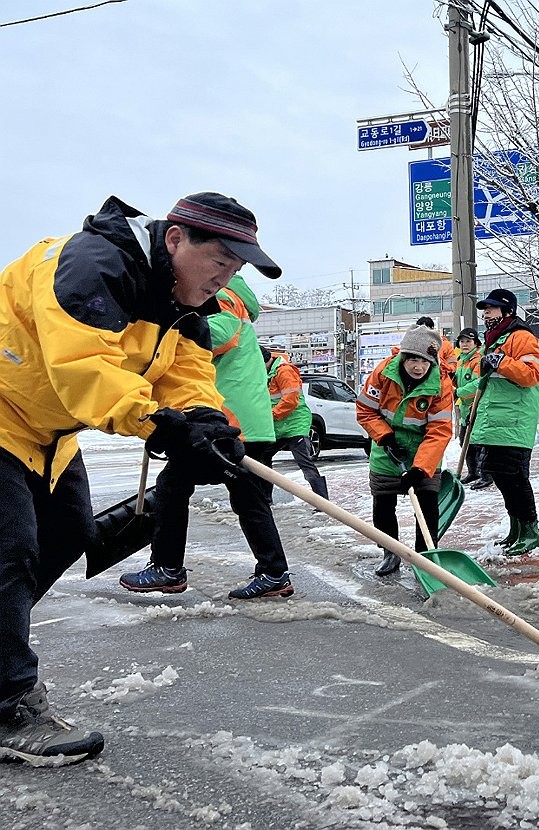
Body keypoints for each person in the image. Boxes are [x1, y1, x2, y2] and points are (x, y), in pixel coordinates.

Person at [0, 191, 279, 766]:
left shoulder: (185, 306)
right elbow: (83, 364)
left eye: (236, 267)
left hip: (45, 434)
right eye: (220, 261)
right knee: (10, 554)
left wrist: (203, 420)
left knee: (68, 534)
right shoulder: (90, 264)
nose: (226, 277)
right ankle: (7, 708)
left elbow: (189, 373)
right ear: (175, 239)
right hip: (4, 415)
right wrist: (161, 426)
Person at [119, 274, 295, 600]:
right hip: (237, 423)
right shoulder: (224, 295)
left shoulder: (224, 295)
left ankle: (168, 568)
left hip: (224, 424)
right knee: (247, 500)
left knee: (174, 486)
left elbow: (220, 334)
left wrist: (167, 329)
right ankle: (273, 572)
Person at [357, 326, 454, 576]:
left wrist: (420, 468)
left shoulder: (440, 385)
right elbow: (365, 410)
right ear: (403, 356)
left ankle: (425, 558)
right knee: (383, 503)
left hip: (424, 450)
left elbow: (440, 430)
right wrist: (384, 436)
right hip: (387, 446)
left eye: (424, 361)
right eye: (413, 359)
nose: (418, 367)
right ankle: (391, 552)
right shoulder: (383, 374)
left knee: (427, 504)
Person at [469, 288, 539, 556]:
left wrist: (501, 361)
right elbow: (489, 382)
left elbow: (532, 375)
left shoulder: (521, 337)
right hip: (497, 419)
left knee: (515, 476)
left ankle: (529, 530)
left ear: (507, 310)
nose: (485, 313)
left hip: (514, 419)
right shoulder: (495, 339)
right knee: (500, 475)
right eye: (484, 309)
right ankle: (516, 527)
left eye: (490, 308)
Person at [263, 347, 328, 499]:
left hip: (295, 424)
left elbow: (291, 399)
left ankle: (322, 501)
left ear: (265, 361)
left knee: (304, 462)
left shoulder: (284, 371)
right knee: (263, 457)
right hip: (280, 426)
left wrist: (271, 415)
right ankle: (266, 498)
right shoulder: (267, 373)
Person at [451, 328, 488, 486]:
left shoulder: (478, 359)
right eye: (462, 341)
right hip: (465, 407)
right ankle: (473, 472)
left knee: (479, 441)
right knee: (465, 441)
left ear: (476, 343)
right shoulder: (460, 360)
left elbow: (477, 383)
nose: (464, 344)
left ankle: (485, 474)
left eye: (468, 341)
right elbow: (457, 380)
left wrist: (458, 392)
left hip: (477, 405)